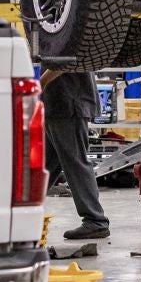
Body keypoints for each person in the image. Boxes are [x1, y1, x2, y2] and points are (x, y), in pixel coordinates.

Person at [41, 68, 109, 240]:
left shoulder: (61, 39)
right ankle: (22, 210)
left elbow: (63, 62)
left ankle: (95, 220)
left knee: (75, 162)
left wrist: (39, 84)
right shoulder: (53, 39)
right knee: (44, 165)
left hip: (68, 101)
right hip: (57, 102)